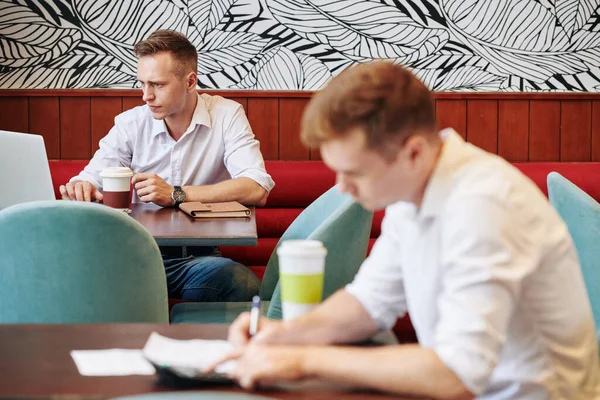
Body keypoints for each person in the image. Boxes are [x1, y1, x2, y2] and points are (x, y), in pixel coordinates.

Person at [208, 61, 600, 399]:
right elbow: (368, 302)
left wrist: (302, 361)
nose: (342, 187)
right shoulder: (413, 188)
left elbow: (457, 374)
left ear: (412, 152)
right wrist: (282, 335)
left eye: (354, 171)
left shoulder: (484, 205)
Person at [59, 29, 274, 302]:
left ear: (190, 81)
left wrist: (176, 193)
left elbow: (257, 187)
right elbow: (92, 177)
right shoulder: (130, 124)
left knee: (239, 282)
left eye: (157, 85)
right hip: (132, 254)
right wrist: (81, 187)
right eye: (142, 84)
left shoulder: (226, 115)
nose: (145, 95)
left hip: (198, 260)